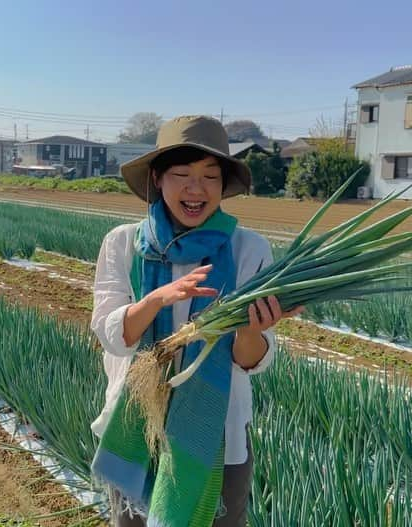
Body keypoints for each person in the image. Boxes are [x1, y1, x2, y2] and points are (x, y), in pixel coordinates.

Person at [89, 115, 302, 527]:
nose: (195, 189)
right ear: (157, 178)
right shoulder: (123, 244)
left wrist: (250, 327)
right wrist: (155, 300)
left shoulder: (248, 249)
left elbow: (253, 359)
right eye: (181, 174)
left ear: (223, 185)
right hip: (137, 427)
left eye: (210, 176)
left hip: (215, 437)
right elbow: (113, 335)